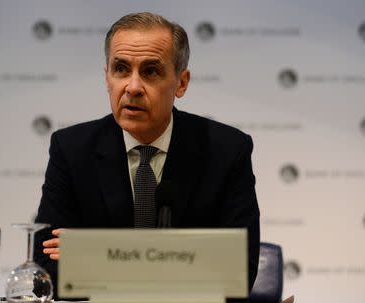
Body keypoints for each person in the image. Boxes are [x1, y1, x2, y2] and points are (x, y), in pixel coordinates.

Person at [34, 12, 260, 298]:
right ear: (107, 78)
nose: (133, 87)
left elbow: (239, 271)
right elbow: (44, 270)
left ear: (181, 82)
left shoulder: (226, 150)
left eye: (151, 71)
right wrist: (181, 262)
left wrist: (95, 256)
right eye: (121, 69)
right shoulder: (72, 148)